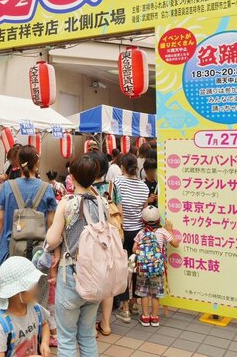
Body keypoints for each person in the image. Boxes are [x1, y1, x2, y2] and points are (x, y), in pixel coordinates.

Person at [45, 154, 108, 357]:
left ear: (72, 177)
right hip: (96, 276)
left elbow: (52, 240)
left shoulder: (67, 203)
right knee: (88, 335)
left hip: (71, 273)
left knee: (67, 338)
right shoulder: (102, 203)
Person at [0, 145, 57, 268]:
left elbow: (0, 219)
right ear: (37, 162)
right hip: (37, 251)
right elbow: (50, 223)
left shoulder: (8, 186)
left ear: (18, 162)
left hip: (10, 247)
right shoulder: (47, 188)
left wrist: (4, 239)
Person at [0, 257, 50, 357]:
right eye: (32, 285)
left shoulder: (36, 309)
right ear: (17, 292)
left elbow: (44, 324)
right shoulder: (1, 328)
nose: (37, 288)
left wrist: (44, 343)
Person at [86, 150, 122, 336]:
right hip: (111, 238)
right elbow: (119, 211)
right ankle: (106, 325)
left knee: (93, 282)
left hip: (93, 240)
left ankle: (91, 326)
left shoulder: (86, 188)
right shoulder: (111, 186)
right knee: (108, 284)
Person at [114, 153, 150, 322]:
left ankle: (125, 308)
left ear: (122, 166)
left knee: (122, 268)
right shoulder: (144, 187)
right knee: (135, 269)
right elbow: (144, 211)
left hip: (121, 231)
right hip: (138, 232)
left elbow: (112, 206)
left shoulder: (116, 182)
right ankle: (135, 303)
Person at [133, 206, 180, 327]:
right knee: (155, 294)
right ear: (159, 219)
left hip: (143, 269)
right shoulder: (162, 231)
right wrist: (170, 230)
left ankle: (145, 317)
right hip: (157, 269)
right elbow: (175, 243)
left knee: (144, 293)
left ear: (143, 220)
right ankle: (154, 317)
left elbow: (134, 249)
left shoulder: (141, 232)